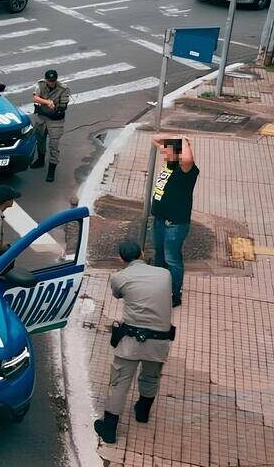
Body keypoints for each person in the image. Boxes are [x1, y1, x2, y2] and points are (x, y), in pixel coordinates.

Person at [94, 240, 175, 444]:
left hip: (131, 340)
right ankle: (142, 413)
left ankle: (110, 429)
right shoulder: (165, 274)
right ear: (141, 252)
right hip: (160, 341)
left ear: (121, 258)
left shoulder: (119, 277)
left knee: (120, 382)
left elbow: (118, 294)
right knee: (151, 376)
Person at [150, 134, 197, 307]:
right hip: (160, 220)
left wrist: (183, 141)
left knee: (172, 259)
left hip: (174, 224)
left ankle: (174, 294)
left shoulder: (187, 170)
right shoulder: (171, 163)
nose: (166, 152)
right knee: (159, 254)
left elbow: (188, 158)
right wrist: (176, 137)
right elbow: (154, 138)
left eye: (170, 149)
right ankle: (157, 287)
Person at [30, 69, 70, 182]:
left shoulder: (63, 89)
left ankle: (51, 171)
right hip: (42, 116)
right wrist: (47, 102)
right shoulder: (41, 84)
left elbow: (63, 107)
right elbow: (35, 97)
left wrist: (56, 107)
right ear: (46, 79)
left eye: (53, 81)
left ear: (56, 80)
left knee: (54, 145)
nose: (51, 83)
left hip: (55, 120)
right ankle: (40, 160)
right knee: (40, 139)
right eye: (49, 81)